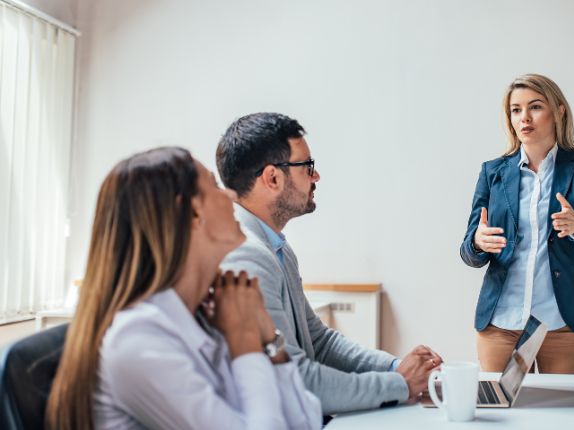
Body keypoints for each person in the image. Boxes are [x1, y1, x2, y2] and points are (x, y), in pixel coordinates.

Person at [47, 147, 321, 429]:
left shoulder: (206, 311)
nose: (230, 196)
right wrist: (246, 341)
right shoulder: (139, 339)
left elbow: (307, 420)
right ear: (191, 213)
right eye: (215, 187)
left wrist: (269, 340)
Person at [216, 112, 443, 414]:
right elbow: (295, 379)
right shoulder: (248, 255)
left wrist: (396, 367)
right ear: (272, 178)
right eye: (307, 166)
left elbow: (319, 343)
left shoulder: (275, 247)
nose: (316, 176)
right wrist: (401, 384)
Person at [460, 74, 574, 375]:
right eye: (516, 110)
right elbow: (468, 251)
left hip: (563, 326)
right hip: (501, 327)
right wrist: (477, 242)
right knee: (499, 418)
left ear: (559, 111)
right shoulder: (492, 172)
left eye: (535, 107)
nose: (524, 118)